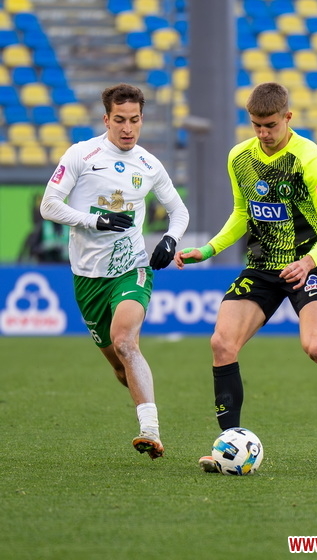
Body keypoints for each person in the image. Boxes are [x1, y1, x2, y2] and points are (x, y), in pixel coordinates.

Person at [174, 82, 317, 471]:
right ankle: (229, 446)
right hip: (263, 264)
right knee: (222, 343)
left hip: (310, 263)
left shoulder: (310, 159)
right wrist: (208, 250)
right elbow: (242, 214)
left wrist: (308, 262)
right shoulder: (240, 157)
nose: (263, 133)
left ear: (288, 117)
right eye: (256, 125)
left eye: (271, 125)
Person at [41, 83, 189, 460]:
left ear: (142, 119)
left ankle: (150, 431)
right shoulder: (81, 155)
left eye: (134, 120)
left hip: (132, 268)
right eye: (120, 120)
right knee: (120, 367)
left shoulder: (149, 165)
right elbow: (49, 205)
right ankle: (140, 396)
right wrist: (95, 220)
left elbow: (179, 211)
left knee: (125, 341)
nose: (128, 128)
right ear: (106, 119)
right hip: (88, 278)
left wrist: (170, 239)